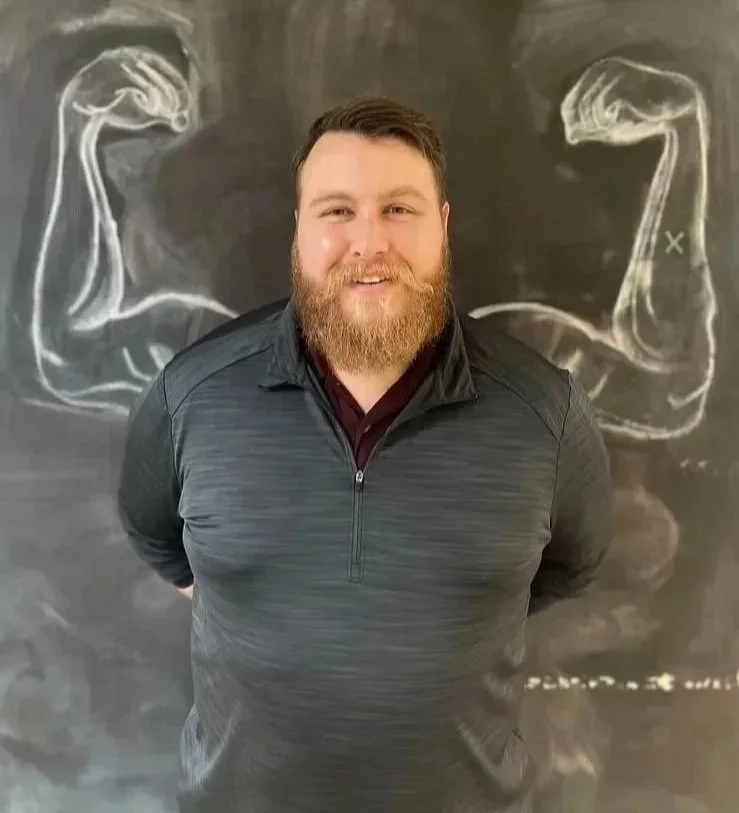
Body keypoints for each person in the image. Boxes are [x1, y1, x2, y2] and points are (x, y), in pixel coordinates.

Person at [117, 95, 613, 813]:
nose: (368, 242)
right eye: (336, 210)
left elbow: (569, 563)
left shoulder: (544, 412)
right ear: (299, 231)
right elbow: (154, 531)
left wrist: (461, 601)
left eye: (399, 209)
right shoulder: (192, 396)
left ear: (441, 226)